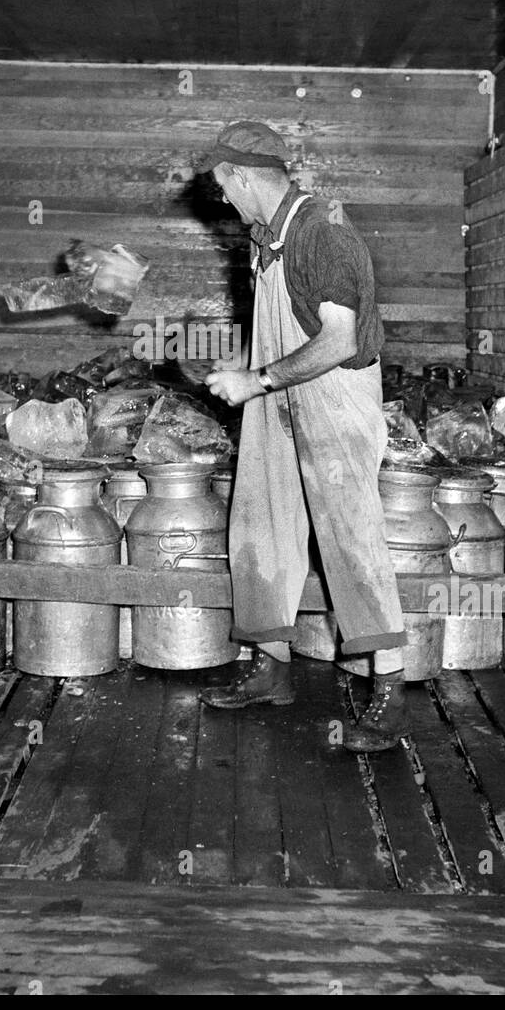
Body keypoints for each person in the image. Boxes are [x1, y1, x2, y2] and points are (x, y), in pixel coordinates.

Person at [196, 119, 409, 752]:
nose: (223, 199)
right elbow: (282, 332)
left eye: (221, 185)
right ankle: (269, 670)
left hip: (334, 401)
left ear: (239, 175)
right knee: (260, 523)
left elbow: (339, 341)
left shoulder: (323, 236)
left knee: (351, 536)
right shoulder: (268, 242)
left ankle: (389, 691)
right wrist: (243, 371)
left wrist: (256, 380)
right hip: (275, 401)